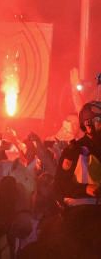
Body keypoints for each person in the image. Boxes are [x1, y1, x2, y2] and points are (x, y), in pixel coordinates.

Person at [54, 101, 101, 255]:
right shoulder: (74, 151)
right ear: (88, 124)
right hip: (79, 214)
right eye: (100, 121)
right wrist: (85, 188)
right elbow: (60, 186)